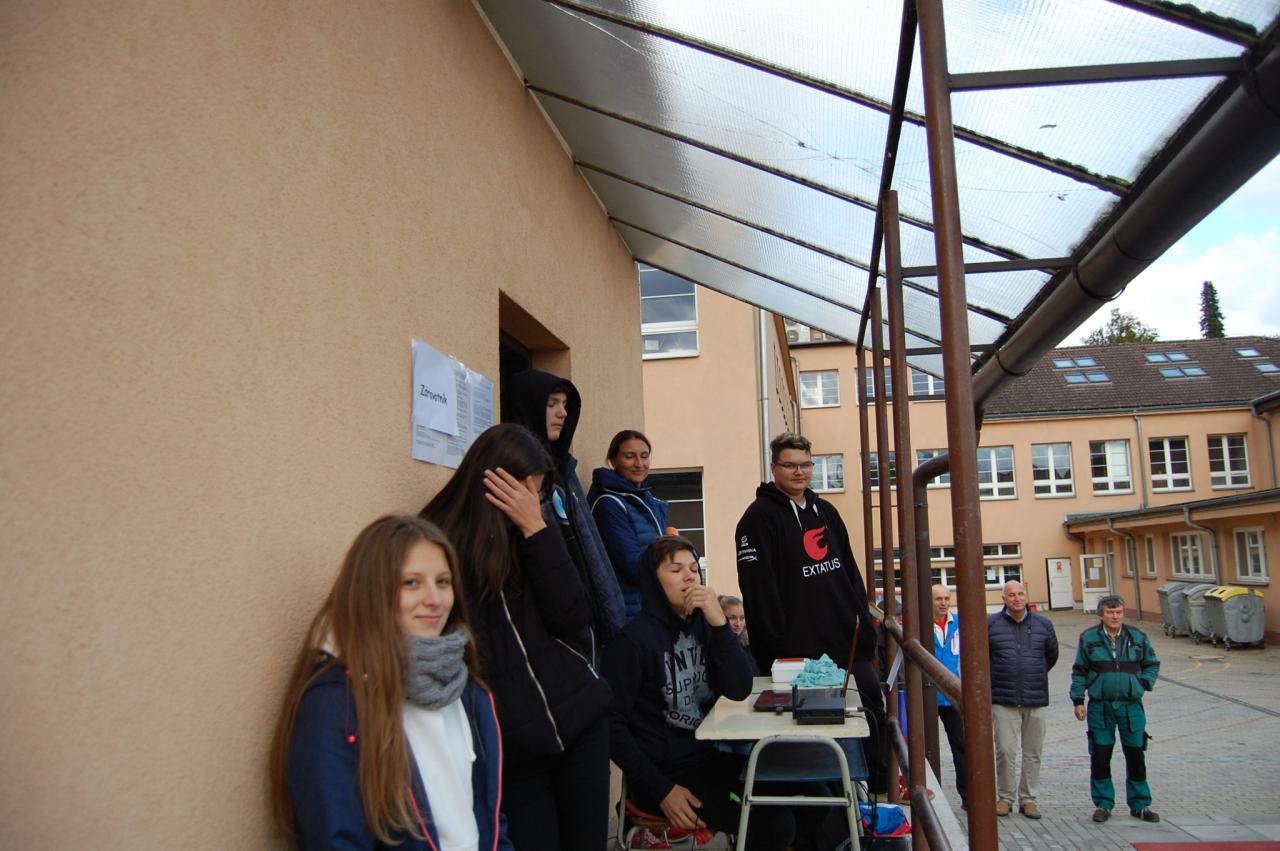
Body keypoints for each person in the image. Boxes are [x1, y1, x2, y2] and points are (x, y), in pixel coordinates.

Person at [269, 515, 512, 850]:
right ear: (372, 591)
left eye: (443, 582)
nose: (434, 599)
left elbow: (490, 816)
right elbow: (336, 838)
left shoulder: (464, 689)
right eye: (411, 583)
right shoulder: (336, 705)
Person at [421, 423, 611, 851]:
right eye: (525, 490)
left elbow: (573, 614)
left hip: (580, 721)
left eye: (537, 494)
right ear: (493, 480)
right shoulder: (439, 546)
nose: (532, 501)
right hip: (513, 747)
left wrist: (538, 532)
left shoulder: (535, 534)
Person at [602, 536, 796, 850]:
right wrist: (661, 789)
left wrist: (720, 623)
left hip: (709, 761)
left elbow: (740, 688)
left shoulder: (705, 626)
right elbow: (609, 726)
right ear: (653, 582)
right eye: (676, 570)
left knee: (806, 793)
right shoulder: (630, 643)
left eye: (694, 569)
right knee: (774, 823)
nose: (689, 576)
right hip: (664, 780)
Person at [734, 431, 886, 793]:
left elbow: (849, 571)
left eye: (806, 465)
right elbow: (757, 591)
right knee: (813, 739)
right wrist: (776, 649)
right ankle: (826, 810)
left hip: (846, 643)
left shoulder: (825, 511)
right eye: (790, 465)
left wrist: (863, 624)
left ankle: (877, 795)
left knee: (871, 713)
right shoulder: (757, 520)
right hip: (798, 656)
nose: (799, 472)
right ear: (774, 467)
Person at [503, 368, 626, 653]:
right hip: (554, 635)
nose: (563, 413)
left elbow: (591, 554)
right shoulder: (521, 478)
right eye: (551, 404)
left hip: (586, 623)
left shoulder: (565, 471)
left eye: (565, 404)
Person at [1070, 595, 1161, 824]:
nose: (1115, 617)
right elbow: (1079, 671)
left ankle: (1140, 805)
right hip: (1100, 708)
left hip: (1131, 708)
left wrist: (1142, 684)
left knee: (1136, 755)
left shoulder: (1137, 637)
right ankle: (1103, 804)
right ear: (1101, 615)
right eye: (1110, 613)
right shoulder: (1089, 638)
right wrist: (1078, 700)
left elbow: (1152, 664)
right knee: (1100, 756)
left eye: (1119, 612)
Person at [987, 580, 1059, 819]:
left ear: (1026, 596)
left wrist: (1033, 673)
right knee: (1005, 750)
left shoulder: (1043, 624)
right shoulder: (991, 624)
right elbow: (984, 657)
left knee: (1033, 751)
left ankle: (1028, 799)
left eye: (1020, 594)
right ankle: (1005, 797)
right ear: (1003, 598)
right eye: (1011, 595)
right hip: (1003, 698)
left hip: (1035, 697)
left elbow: (1051, 656)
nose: (1017, 599)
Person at [588, 429, 670, 620]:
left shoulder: (645, 499)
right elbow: (634, 566)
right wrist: (674, 565)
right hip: (629, 612)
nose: (639, 464)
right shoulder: (609, 504)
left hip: (650, 608)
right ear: (613, 460)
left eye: (644, 456)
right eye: (629, 457)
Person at [931, 584, 967, 809]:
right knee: (926, 746)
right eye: (938, 599)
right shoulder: (921, 625)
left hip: (953, 694)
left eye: (946, 598)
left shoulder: (959, 623)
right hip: (928, 693)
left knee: (961, 744)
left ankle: (968, 796)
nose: (943, 603)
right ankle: (929, 792)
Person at [717, 593, 759, 676]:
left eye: (742, 618)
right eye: (732, 618)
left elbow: (754, 672)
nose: (738, 624)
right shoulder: (715, 647)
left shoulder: (746, 643)